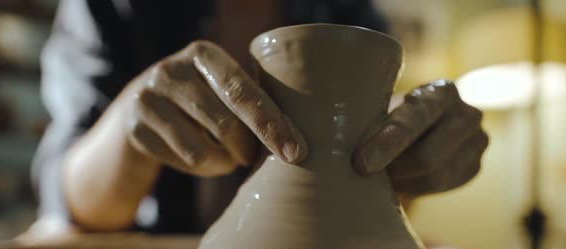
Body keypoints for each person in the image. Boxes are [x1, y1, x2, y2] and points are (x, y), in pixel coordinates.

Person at [32, 0, 488, 234]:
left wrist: (407, 150)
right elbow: (68, 201)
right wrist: (132, 127)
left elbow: (373, 202)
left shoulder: (347, 10)